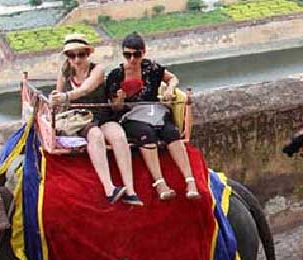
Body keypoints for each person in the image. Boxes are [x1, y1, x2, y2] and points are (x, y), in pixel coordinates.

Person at [105, 32, 199, 201]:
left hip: (154, 110)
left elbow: (172, 78)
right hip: (130, 115)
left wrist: (170, 89)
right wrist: (120, 97)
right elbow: (115, 107)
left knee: (171, 132)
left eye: (137, 54)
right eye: (128, 55)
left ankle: (190, 180)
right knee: (146, 134)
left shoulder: (152, 68)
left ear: (144, 52)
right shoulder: (116, 75)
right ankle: (159, 182)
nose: (132, 59)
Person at [50, 34, 142, 205]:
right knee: (95, 135)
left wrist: (64, 96)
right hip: (80, 118)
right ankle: (109, 188)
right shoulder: (64, 74)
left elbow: (85, 89)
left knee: (118, 135)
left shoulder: (97, 70)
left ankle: (130, 190)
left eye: (81, 55)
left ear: (87, 54)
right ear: (67, 58)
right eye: (72, 56)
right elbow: (60, 104)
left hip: (101, 114)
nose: (77, 60)